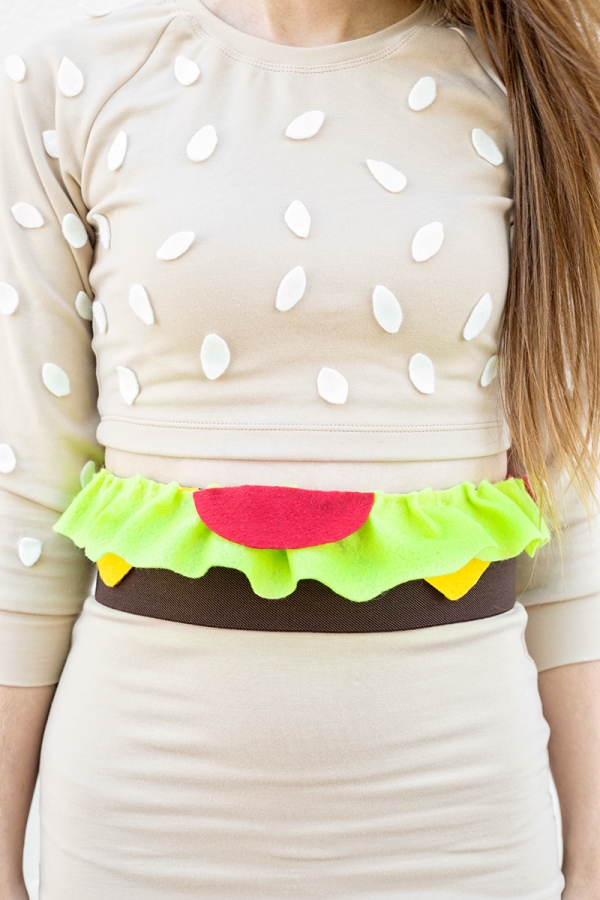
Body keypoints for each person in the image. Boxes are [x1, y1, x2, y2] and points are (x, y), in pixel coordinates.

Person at [1, 0, 600, 896]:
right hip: (140, 818)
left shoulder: (540, 90)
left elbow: (574, 524)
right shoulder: (69, 79)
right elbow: (26, 510)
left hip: (461, 819)